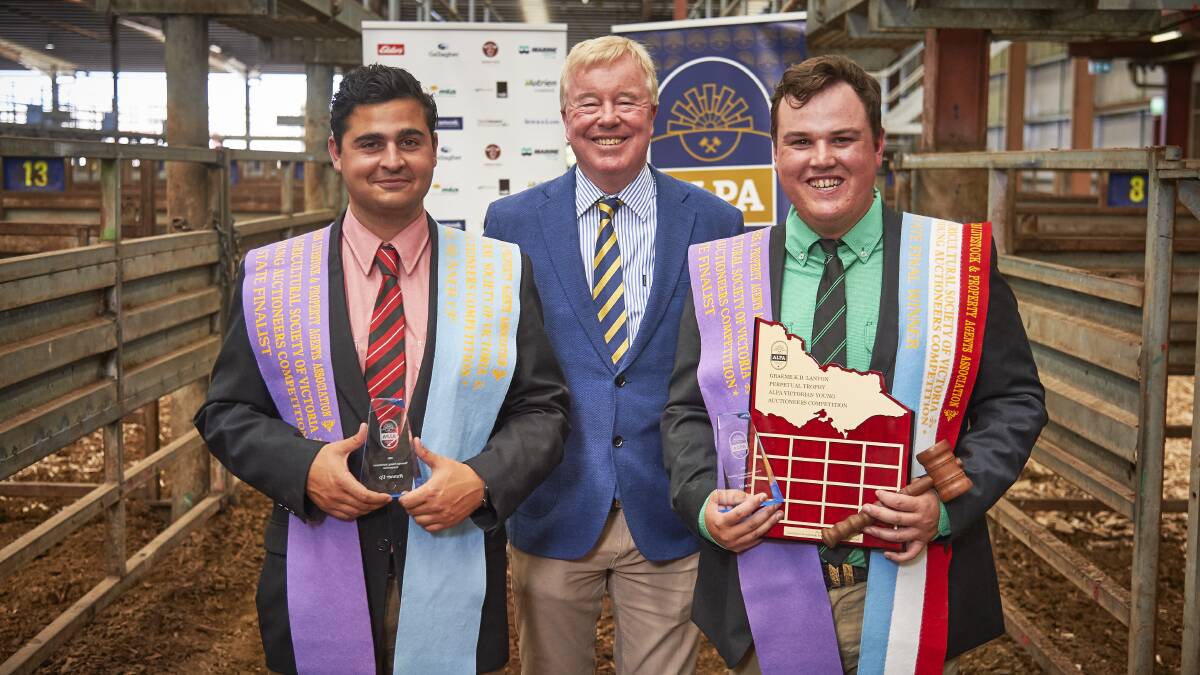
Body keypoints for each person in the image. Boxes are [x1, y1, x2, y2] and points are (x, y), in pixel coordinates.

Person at [661, 55, 1047, 674]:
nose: (822, 159)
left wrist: (947, 505)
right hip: (768, 584)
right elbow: (686, 408)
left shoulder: (951, 263)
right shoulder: (723, 272)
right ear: (776, 154)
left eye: (842, 139)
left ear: (878, 147)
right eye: (800, 142)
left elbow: (1015, 400)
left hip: (908, 581)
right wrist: (704, 501)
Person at [194, 64, 570, 675]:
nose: (392, 159)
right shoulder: (274, 277)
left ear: (433, 151)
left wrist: (482, 479)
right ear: (336, 154)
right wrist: (303, 467)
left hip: (455, 558)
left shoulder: (498, 273)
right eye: (370, 143)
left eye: (410, 141)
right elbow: (225, 411)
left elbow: (544, 409)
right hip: (323, 560)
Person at [484, 36, 743, 674]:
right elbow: (496, 368)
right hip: (554, 504)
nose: (608, 118)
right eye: (589, 103)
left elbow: (729, 367)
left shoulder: (715, 223)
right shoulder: (510, 224)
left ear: (653, 113)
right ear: (566, 117)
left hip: (669, 508)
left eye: (626, 101)